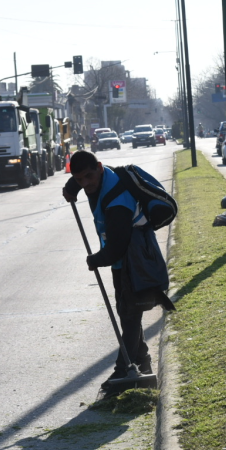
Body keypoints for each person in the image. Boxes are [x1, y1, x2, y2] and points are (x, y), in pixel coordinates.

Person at [62, 150, 152, 387]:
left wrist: (95, 259)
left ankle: (124, 370)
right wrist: (72, 187)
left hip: (135, 257)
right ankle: (142, 362)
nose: (86, 183)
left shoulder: (117, 202)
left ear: (100, 168)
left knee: (130, 313)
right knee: (127, 310)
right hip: (122, 259)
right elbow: (85, 174)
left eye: (89, 177)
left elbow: (118, 246)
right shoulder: (102, 177)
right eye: (80, 179)